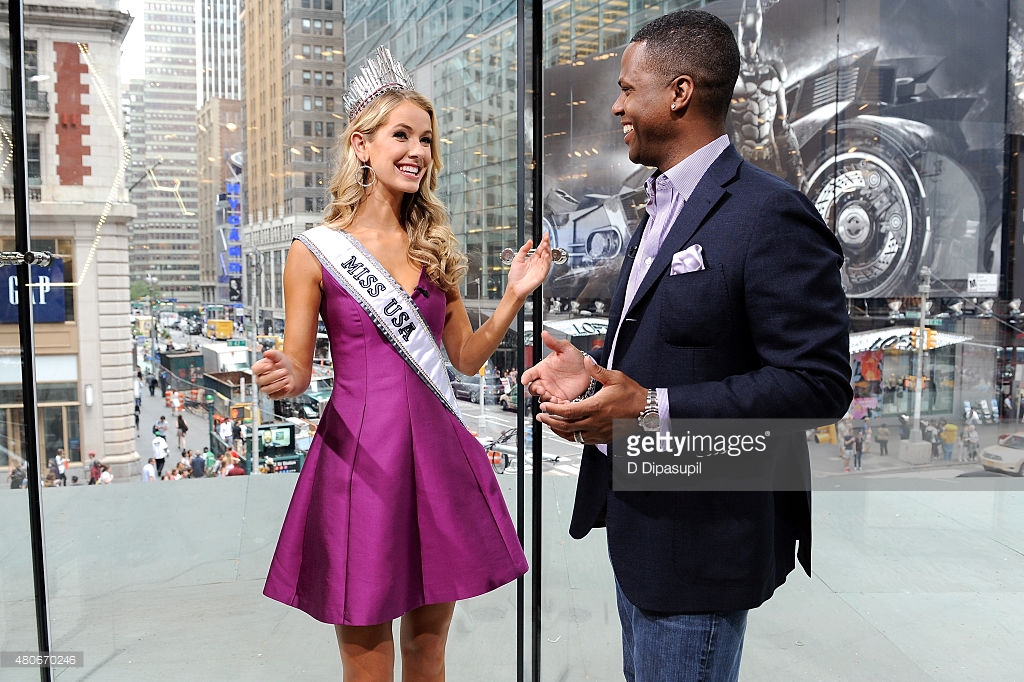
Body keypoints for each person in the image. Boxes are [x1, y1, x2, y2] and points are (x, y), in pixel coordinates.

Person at [521, 11, 851, 681]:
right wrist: (589, 382)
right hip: (644, 535)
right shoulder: (659, 208)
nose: (616, 104)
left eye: (627, 87)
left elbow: (819, 382)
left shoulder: (770, 214)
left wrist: (652, 407)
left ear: (677, 93)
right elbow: (667, 355)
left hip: (704, 548)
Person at [251, 45, 550, 679]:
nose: (418, 151)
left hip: (434, 455)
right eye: (401, 135)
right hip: (359, 460)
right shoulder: (316, 253)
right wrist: (284, 378)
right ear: (362, 146)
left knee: (429, 648)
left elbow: (465, 360)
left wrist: (513, 299)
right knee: (365, 658)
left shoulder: (432, 246)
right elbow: (301, 370)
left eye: (427, 140)